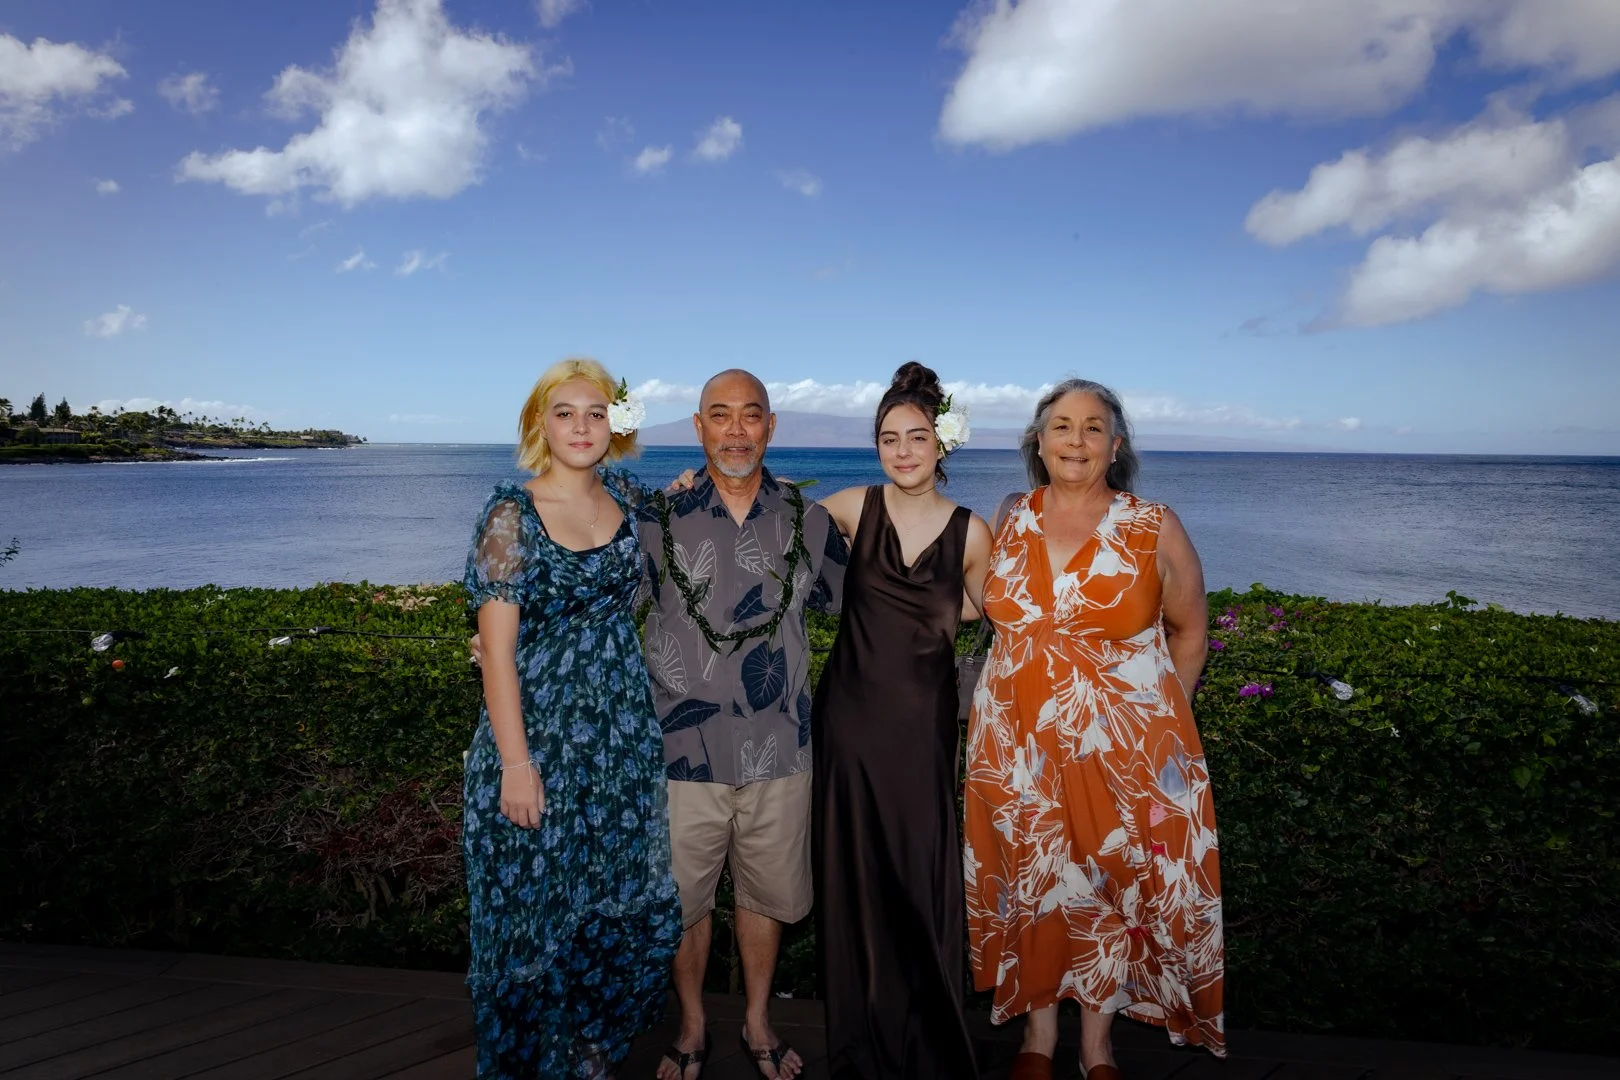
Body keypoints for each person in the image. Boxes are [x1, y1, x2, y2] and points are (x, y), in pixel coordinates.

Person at [963, 379, 1225, 1080]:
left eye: (1092, 427)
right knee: (1033, 880)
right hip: (1016, 746)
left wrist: (1163, 726)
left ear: (1116, 445)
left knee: (1111, 884)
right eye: (1061, 426)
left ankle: (1097, 1047)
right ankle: (1037, 1039)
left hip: (1123, 750)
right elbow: (961, 593)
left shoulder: (1152, 523)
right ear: (1038, 442)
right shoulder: (1010, 516)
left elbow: (1191, 630)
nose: (1076, 440)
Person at [462, 358, 681, 1079]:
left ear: (615, 425)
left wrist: (691, 486)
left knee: (608, 916)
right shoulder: (510, 513)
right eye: (565, 413)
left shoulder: (624, 492)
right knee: (531, 920)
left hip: (618, 745)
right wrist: (517, 766)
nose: (581, 426)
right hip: (538, 745)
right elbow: (496, 654)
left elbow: (680, 511)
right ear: (539, 425)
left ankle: (587, 1061)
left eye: (596, 412)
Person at [637, 369, 848, 1080]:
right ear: (697, 427)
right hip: (679, 749)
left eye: (749, 416)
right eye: (719, 416)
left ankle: (759, 1021)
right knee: (686, 898)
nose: (735, 430)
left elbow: (877, 605)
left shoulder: (808, 520)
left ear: (770, 426)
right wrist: (504, 634)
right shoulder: (653, 517)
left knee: (766, 893)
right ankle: (693, 1024)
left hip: (778, 746)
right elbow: (598, 605)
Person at [810, 362, 993, 1080]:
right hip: (850, 724)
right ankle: (859, 1046)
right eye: (890, 438)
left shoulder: (973, 532)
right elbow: (772, 532)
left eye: (918, 436)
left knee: (921, 875)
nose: (904, 450)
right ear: (877, 446)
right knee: (855, 882)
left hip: (923, 729)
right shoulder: (856, 506)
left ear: (942, 444)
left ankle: (930, 1045)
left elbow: (995, 610)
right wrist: (689, 493)